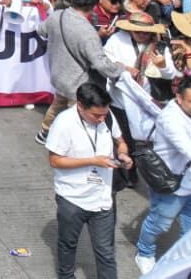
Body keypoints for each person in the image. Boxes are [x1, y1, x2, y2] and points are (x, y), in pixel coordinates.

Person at [45, 81, 131, 279]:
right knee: (68, 244)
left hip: (103, 198)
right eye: (96, 115)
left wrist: (123, 154)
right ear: (80, 106)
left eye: (104, 114)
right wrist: (93, 161)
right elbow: (55, 160)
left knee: (106, 252)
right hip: (72, 198)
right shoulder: (64, 123)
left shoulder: (106, 116)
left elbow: (121, 141)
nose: (102, 119)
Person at [35, 0, 128, 145]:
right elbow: (100, 64)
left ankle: (44, 132)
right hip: (78, 83)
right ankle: (68, 145)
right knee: (77, 118)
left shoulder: (57, 16)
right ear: (94, 6)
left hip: (58, 75)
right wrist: (120, 68)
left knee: (57, 105)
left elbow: (41, 30)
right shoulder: (87, 32)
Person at [134, 75, 191, 274]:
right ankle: (144, 253)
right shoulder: (171, 119)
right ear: (179, 98)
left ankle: (183, 261)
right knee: (159, 224)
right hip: (172, 185)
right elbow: (188, 150)